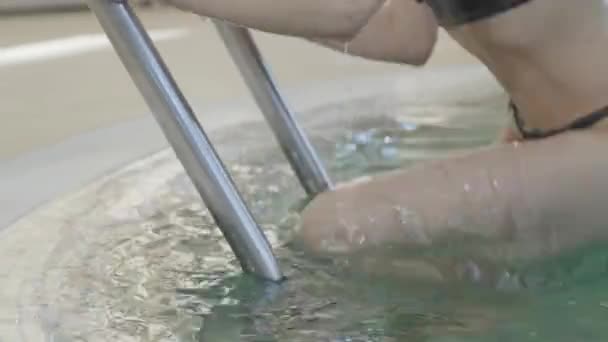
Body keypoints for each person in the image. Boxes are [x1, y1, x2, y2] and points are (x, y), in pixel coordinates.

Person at [167, 0, 608, 266]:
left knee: (336, 227)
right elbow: (405, 34)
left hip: (597, 136)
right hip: (549, 132)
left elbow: (344, 10)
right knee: (463, 295)